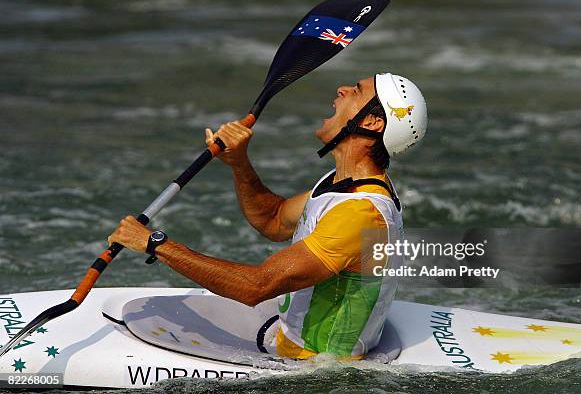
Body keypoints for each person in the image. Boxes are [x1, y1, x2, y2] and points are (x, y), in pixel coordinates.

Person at [108, 73, 427, 359]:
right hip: (287, 341)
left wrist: (155, 244)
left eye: (356, 91)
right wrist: (239, 163)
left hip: (315, 370)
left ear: (373, 122)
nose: (342, 88)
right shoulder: (343, 185)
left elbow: (256, 287)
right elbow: (273, 221)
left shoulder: (360, 212)